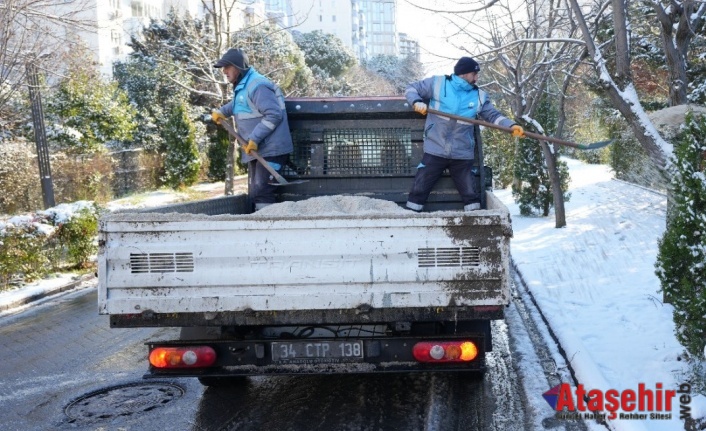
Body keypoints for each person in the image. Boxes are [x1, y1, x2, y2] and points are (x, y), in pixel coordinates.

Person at [404, 56, 525, 212]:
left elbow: (493, 116)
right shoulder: (438, 84)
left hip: (462, 153)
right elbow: (411, 88)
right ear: (465, 73)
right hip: (435, 147)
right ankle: (411, 216)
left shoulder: (479, 96)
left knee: (470, 193)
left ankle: (475, 223)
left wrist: (511, 125)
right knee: (419, 188)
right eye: (475, 73)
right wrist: (416, 102)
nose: (477, 77)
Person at [211, 48, 293, 211]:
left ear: (238, 67)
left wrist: (254, 139)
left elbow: (273, 115)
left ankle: (265, 225)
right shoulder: (244, 86)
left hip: (272, 149)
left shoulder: (258, 85)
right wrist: (222, 112)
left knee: (262, 190)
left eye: (227, 67)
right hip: (258, 149)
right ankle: (262, 222)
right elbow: (240, 104)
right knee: (256, 191)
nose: (224, 71)